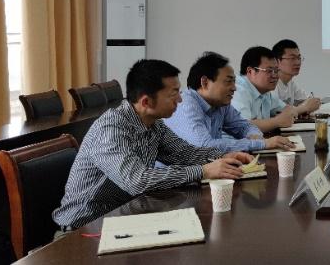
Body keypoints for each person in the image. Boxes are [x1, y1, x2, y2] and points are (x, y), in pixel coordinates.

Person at [53, 59, 253, 231]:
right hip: (84, 227)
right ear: (146, 101)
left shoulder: (153, 124)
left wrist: (222, 157)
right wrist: (203, 171)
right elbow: (137, 181)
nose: (180, 99)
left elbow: (184, 153)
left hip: (123, 216)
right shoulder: (111, 130)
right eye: (173, 93)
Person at [166, 52, 295, 152]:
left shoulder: (221, 104)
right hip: (177, 176)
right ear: (205, 82)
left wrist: (254, 136)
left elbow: (245, 126)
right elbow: (205, 146)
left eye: (234, 81)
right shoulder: (186, 104)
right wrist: (260, 144)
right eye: (228, 81)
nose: (234, 88)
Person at [231, 46, 319, 133]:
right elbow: (241, 127)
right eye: (269, 71)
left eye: (276, 71)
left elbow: (287, 110)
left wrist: (300, 110)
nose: (275, 76)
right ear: (250, 71)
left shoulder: (265, 91)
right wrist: (277, 121)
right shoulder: (236, 90)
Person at [273, 39, 320, 109]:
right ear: (277, 61)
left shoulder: (290, 83)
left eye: (299, 58)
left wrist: (311, 102)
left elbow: (307, 100)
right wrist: (305, 107)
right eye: (292, 58)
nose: (298, 62)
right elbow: (278, 111)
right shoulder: (271, 84)